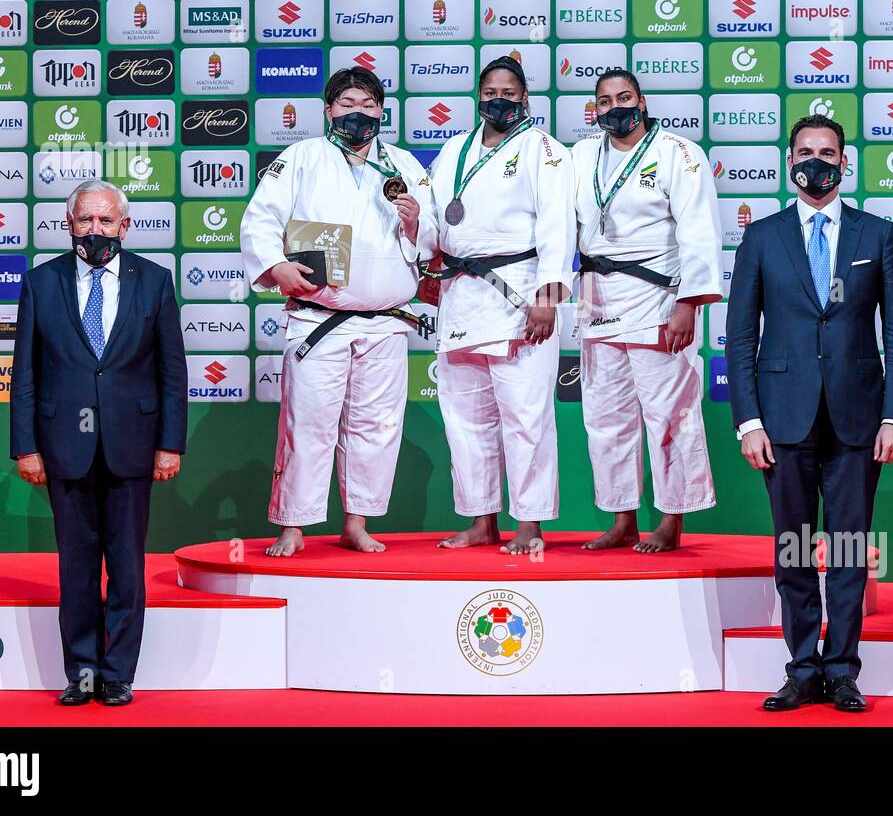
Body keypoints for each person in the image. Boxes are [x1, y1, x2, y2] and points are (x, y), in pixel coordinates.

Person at [727, 113, 893, 712]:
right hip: (782, 422)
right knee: (794, 546)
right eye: (805, 151)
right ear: (789, 162)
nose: (817, 160)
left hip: (859, 420)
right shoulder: (762, 237)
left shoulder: (877, 235)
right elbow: (738, 338)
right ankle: (802, 667)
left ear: (844, 163)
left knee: (851, 549)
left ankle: (843, 670)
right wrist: (749, 421)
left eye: (827, 152)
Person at [241, 67, 434, 557]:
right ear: (329, 110)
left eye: (368, 105)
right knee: (308, 424)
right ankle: (292, 524)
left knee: (376, 427)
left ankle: (357, 523)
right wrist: (276, 266)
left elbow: (434, 241)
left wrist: (417, 224)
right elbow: (261, 219)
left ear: (382, 111)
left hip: (388, 321)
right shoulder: (303, 157)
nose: (359, 113)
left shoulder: (405, 165)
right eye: (348, 103)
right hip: (318, 320)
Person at [10, 180, 187, 707]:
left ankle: (117, 675)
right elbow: (25, 373)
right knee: (77, 568)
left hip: (133, 446)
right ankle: (81, 674)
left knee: (128, 567)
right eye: (85, 220)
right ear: (69, 224)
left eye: (105, 221)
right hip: (64, 447)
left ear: (124, 226)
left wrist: (170, 443)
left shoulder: (154, 282)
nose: (95, 229)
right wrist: (26, 446)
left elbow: (171, 371)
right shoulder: (41, 283)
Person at [426, 55, 576, 555]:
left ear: (525, 98)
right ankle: (480, 519)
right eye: (490, 92)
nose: (499, 100)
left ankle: (530, 523)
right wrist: (426, 265)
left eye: (509, 93)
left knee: (526, 415)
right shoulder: (453, 150)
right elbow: (434, 218)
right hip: (461, 293)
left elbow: (559, 226)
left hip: (519, 294)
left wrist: (548, 297)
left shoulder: (545, 151)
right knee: (465, 418)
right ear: (478, 96)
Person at [571, 69, 723, 553]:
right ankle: (622, 518)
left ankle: (672, 519)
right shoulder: (579, 156)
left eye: (623, 97)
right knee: (605, 415)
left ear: (642, 100)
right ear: (593, 110)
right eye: (603, 100)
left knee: (669, 412)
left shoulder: (678, 153)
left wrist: (688, 303)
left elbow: (698, 231)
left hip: (657, 298)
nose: (614, 107)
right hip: (598, 294)